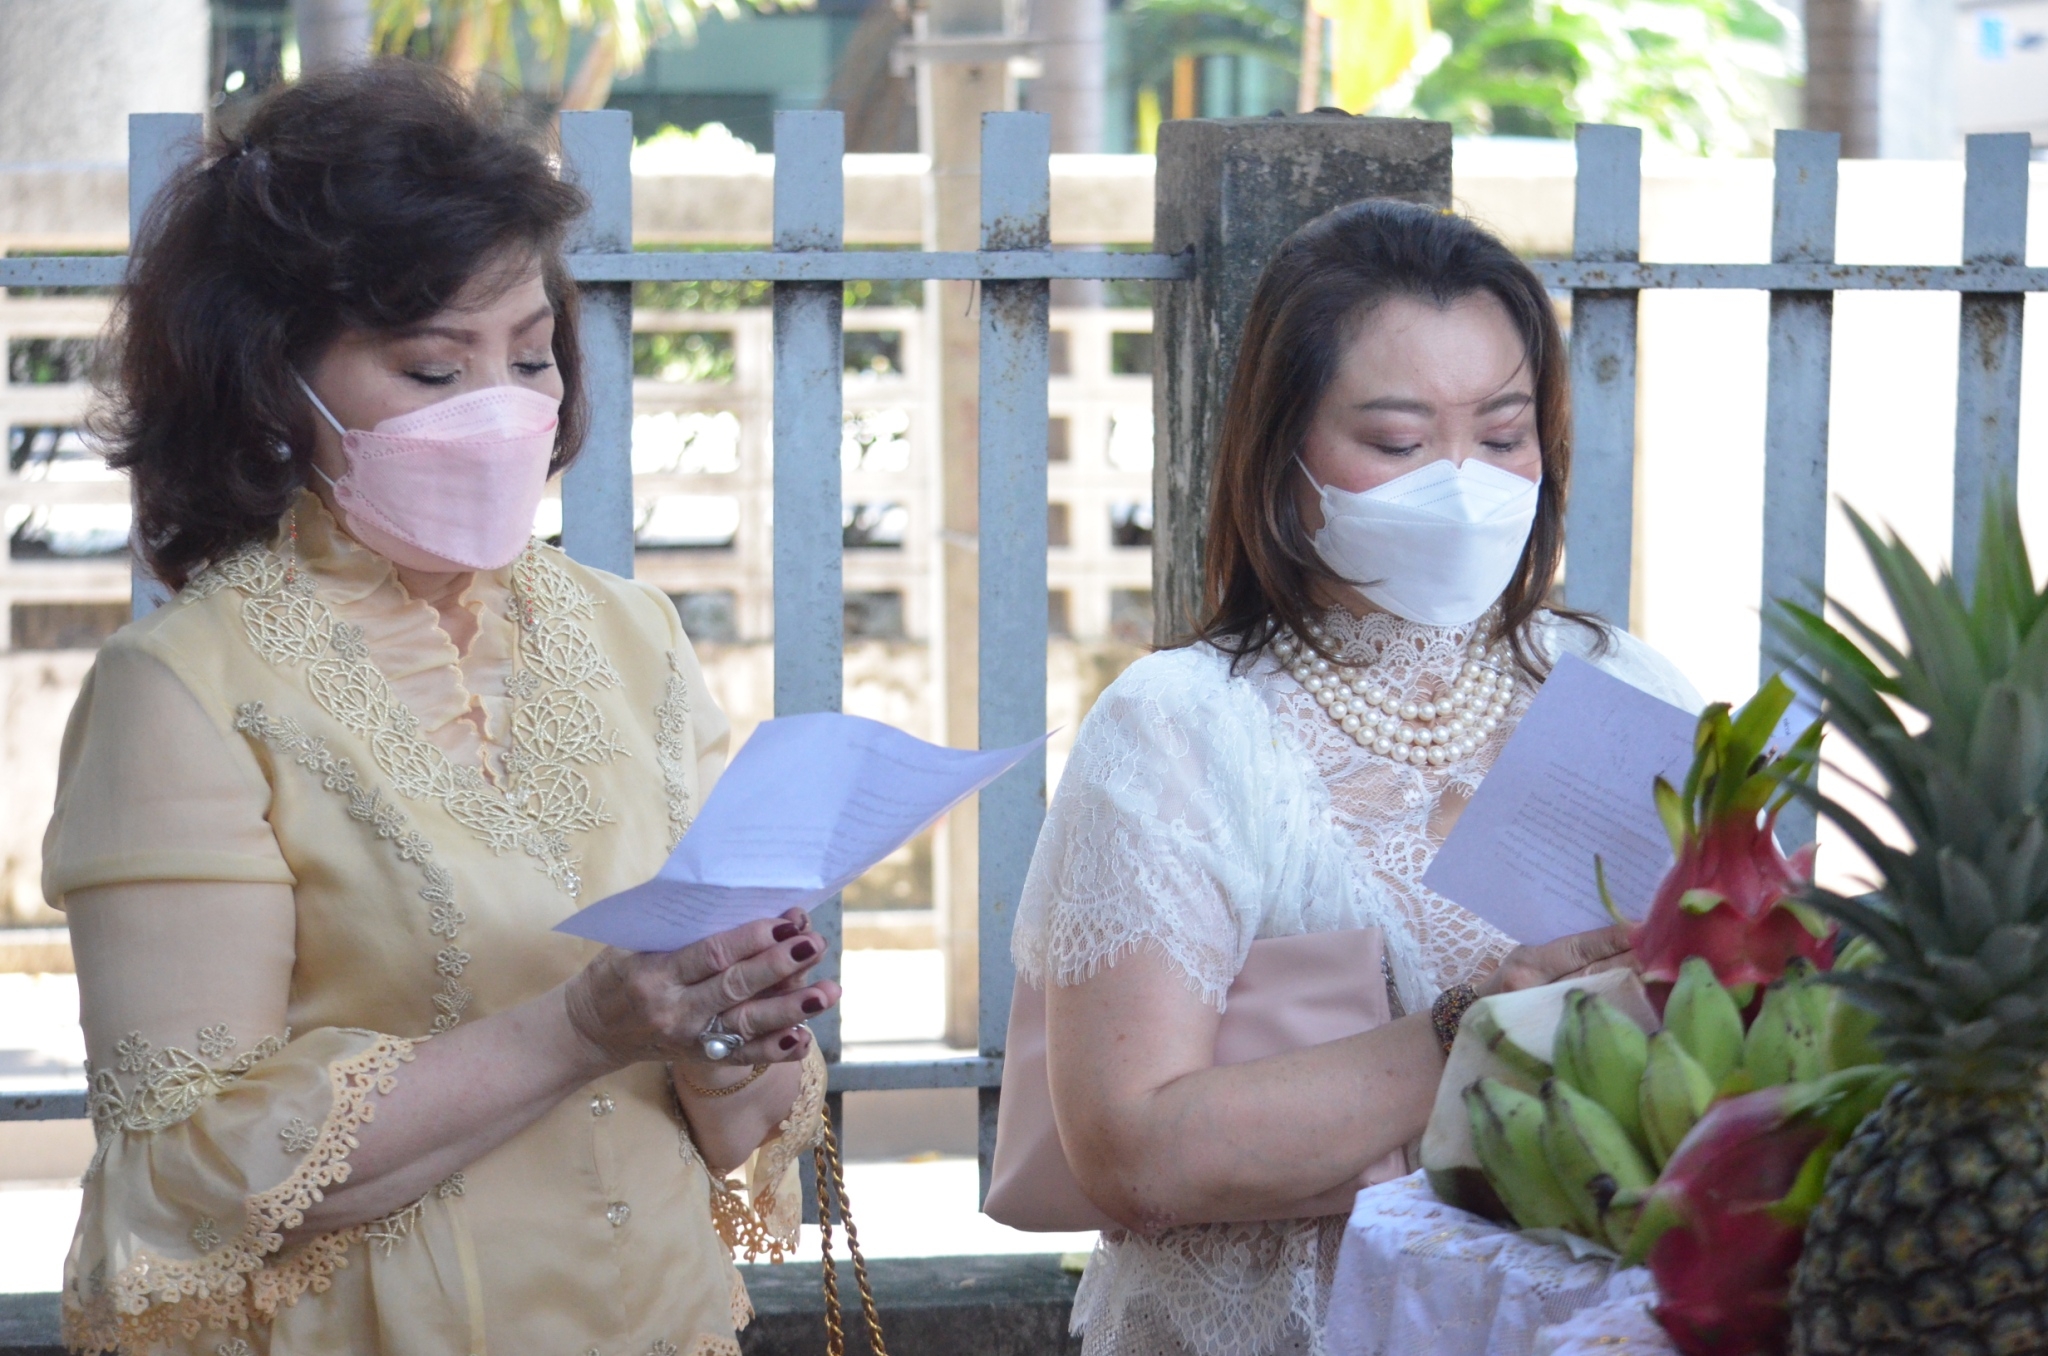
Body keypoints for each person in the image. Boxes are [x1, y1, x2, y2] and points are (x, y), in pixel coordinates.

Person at [44, 62, 840, 1355]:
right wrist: (580, 1027)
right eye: (430, 367)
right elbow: (190, 1166)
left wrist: (729, 1027)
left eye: (529, 357)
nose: (501, 412)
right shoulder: (185, 689)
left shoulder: (630, 635)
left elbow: (740, 1128)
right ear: (270, 382)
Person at [1013, 200, 1703, 1356]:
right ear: (1279, 456)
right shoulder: (1183, 726)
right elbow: (1132, 1154)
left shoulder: (1622, 686)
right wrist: (1474, 1030)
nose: (1462, 482)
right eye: (1395, 443)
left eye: (1502, 435)